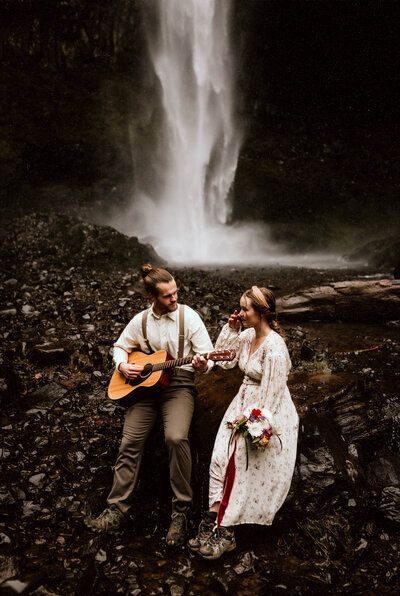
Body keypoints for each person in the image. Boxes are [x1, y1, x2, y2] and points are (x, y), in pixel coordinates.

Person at [85, 263, 213, 545]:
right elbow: (119, 346)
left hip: (178, 386)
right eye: (168, 296)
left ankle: (180, 513)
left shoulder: (188, 317)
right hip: (145, 392)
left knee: (176, 437)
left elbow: (209, 358)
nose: (174, 299)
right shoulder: (140, 321)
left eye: (176, 292)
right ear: (152, 298)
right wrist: (122, 365)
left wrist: (204, 364)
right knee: (129, 443)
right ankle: (116, 509)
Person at [189, 286, 299, 559]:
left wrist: (257, 424)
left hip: (264, 407)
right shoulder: (248, 336)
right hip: (242, 400)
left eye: (245, 309)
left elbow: (273, 393)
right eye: (239, 307)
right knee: (219, 456)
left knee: (238, 460)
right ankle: (212, 521)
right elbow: (222, 359)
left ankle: (226, 531)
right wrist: (230, 330)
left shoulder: (275, 348)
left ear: (261, 313)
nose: (240, 313)